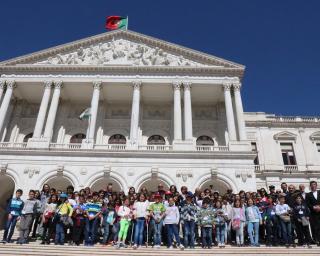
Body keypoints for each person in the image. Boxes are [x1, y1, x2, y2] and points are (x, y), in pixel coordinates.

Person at [305, 180, 320, 246]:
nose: (313, 186)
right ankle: (316, 239)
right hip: (313, 213)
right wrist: (313, 207)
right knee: (314, 227)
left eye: (314, 184)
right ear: (310, 186)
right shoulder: (308, 194)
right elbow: (307, 203)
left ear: (316, 185)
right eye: (312, 185)